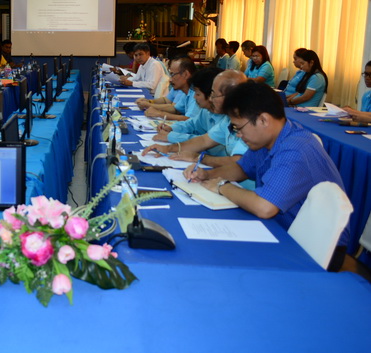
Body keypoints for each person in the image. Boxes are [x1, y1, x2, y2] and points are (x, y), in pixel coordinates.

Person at [184, 82, 348, 271]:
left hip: (313, 249)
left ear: (263, 120)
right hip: (284, 229)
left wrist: (222, 186)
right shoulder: (270, 138)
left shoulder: (295, 149)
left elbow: (264, 207)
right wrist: (206, 174)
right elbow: (241, 169)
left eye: (239, 128)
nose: (239, 135)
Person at [143, 70, 250, 170]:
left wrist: (198, 158)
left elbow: (238, 163)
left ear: (230, 96)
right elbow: (204, 140)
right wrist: (168, 149)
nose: (210, 99)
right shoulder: (227, 119)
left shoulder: (248, 121)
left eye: (213, 95)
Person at [154, 67, 224, 144]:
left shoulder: (225, 119)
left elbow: (206, 142)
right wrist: (172, 128)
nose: (194, 97)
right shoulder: (206, 111)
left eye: (198, 94)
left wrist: (171, 136)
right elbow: (191, 124)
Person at [139, 57, 199, 122]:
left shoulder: (197, 93)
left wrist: (160, 114)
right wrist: (150, 103)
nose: (170, 79)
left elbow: (190, 120)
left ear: (186, 74)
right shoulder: (187, 91)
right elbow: (176, 109)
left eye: (173, 74)